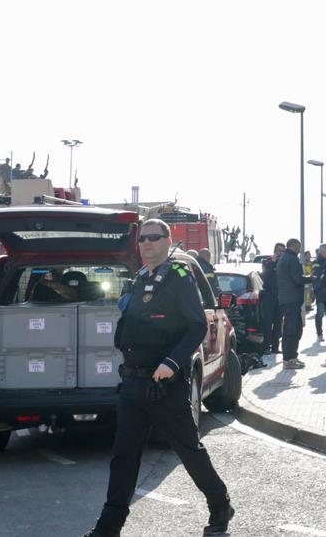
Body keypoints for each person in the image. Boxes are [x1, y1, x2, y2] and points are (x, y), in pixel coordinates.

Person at [83, 219, 233, 537]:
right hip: (134, 383)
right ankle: (108, 526)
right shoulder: (139, 279)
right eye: (143, 238)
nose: (147, 243)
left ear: (168, 241)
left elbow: (196, 325)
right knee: (123, 457)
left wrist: (171, 363)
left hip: (164, 382)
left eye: (154, 237)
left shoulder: (178, 276)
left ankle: (220, 506)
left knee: (188, 451)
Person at [276, 238, 313, 370]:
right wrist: (311, 277)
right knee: (292, 330)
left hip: (288, 299)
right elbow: (298, 278)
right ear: (293, 246)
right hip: (291, 300)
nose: (300, 249)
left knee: (294, 329)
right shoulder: (291, 259)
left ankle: (291, 357)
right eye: (299, 247)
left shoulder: (285, 258)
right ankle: (289, 359)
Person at [261, 243, 284, 354]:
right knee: (267, 322)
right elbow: (265, 275)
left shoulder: (284, 262)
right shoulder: (267, 261)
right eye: (278, 251)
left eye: (282, 251)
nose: (280, 253)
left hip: (280, 295)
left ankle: (275, 347)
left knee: (278, 322)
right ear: (274, 251)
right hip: (269, 294)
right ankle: (266, 347)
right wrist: (273, 262)